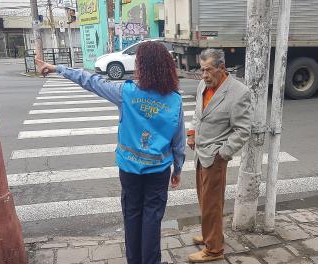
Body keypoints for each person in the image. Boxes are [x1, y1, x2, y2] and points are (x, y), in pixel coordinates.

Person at [35, 41, 186, 264]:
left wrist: (59, 68)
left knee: (132, 217)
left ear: (142, 66)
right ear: (167, 66)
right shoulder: (174, 100)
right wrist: (178, 169)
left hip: (129, 169)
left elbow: (90, 81)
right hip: (158, 170)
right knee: (152, 219)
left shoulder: (125, 93)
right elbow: (178, 141)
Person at [186, 49, 251, 262]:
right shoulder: (203, 85)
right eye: (201, 70)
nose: (204, 75)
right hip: (200, 152)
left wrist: (221, 154)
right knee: (205, 201)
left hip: (215, 157)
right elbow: (199, 114)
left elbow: (242, 130)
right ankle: (211, 235)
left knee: (212, 204)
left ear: (221, 68)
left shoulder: (238, 92)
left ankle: (214, 250)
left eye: (208, 70)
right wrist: (192, 133)